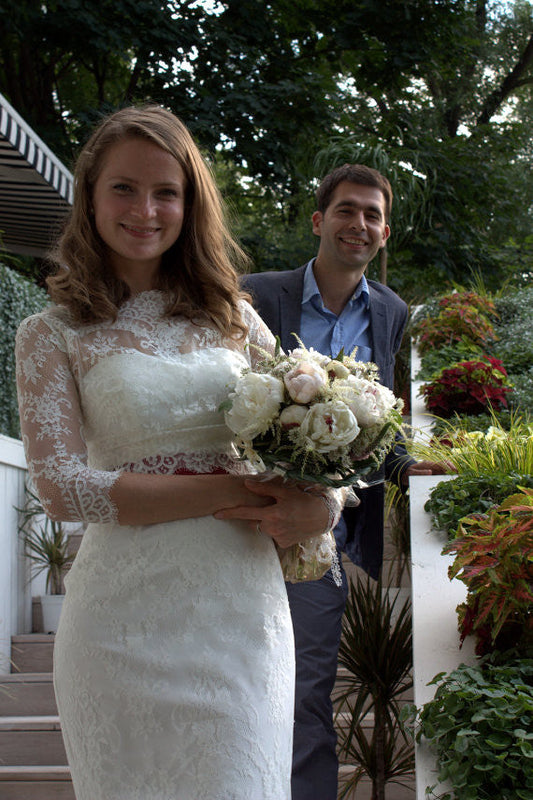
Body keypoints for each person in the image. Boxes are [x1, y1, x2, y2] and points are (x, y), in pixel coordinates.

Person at [15, 105, 338, 800]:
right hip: (118, 626)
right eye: (123, 188)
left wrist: (325, 505)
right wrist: (228, 492)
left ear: (190, 205)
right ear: (91, 198)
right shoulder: (53, 333)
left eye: (166, 191)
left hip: (238, 615)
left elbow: (309, 444)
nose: (145, 209)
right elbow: (65, 489)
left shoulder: (235, 317)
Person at [241, 163, 445, 800]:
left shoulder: (391, 311)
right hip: (234, 517)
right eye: (347, 210)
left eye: (373, 215)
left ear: (385, 233)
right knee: (235, 684)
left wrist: (413, 464)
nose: (359, 224)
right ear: (319, 220)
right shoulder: (254, 294)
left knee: (307, 688)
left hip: (321, 534)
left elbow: (379, 422)